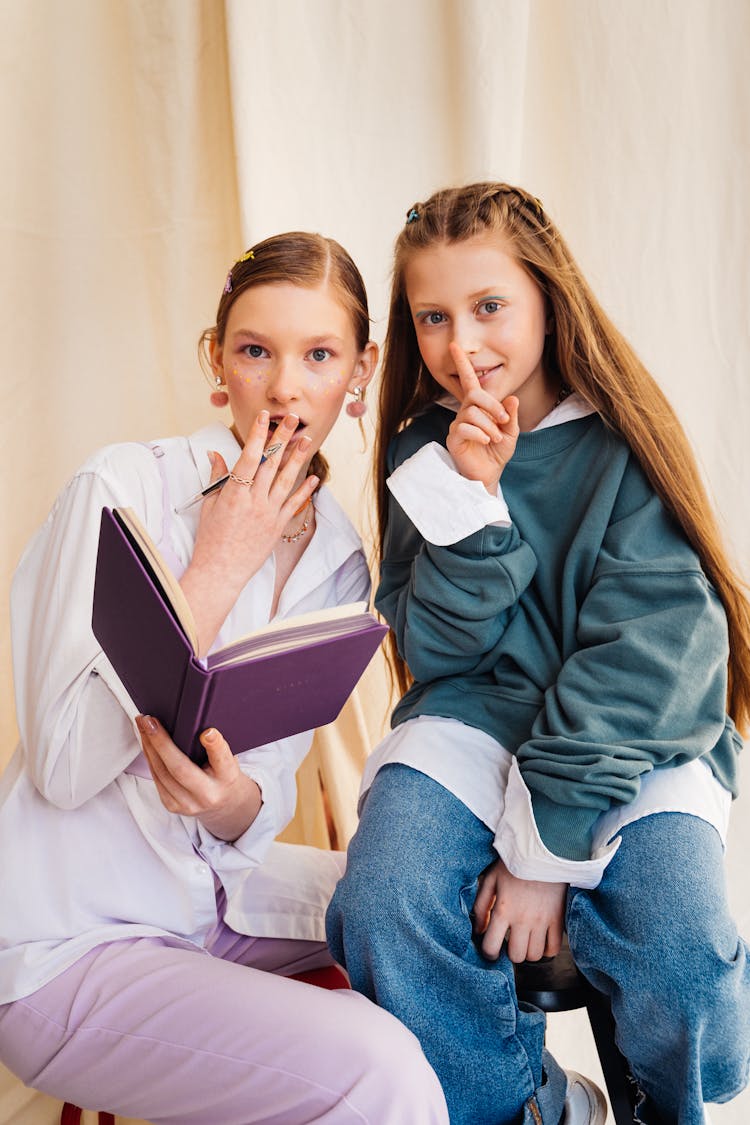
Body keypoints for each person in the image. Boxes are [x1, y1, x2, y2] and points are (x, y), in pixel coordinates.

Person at [0, 232, 449, 1125]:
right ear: (218, 360)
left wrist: (229, 803)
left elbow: (259, 807)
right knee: (380, 1072)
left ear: (360, 373)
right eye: (256, 351)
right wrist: (217, 565)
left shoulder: (339, 559)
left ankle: (533, 1099)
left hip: (207, 904)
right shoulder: (120, 487)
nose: (285, 388)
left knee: (431, 916)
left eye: (319, 355)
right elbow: (60, 763)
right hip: (65, 945)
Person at [326, 183, 750, 1125]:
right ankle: (526, 1108)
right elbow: (435, 651)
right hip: (475, 725)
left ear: (548, 300)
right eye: (432, 317)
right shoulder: (422, 455)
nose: (459, 345)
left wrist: (540, 848)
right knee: (387, 895)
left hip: (633, 740)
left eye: (488, 308)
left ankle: (660, 1103)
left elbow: (650, 657)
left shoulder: (621, 442)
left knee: (679, 941)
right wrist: (473, 504)